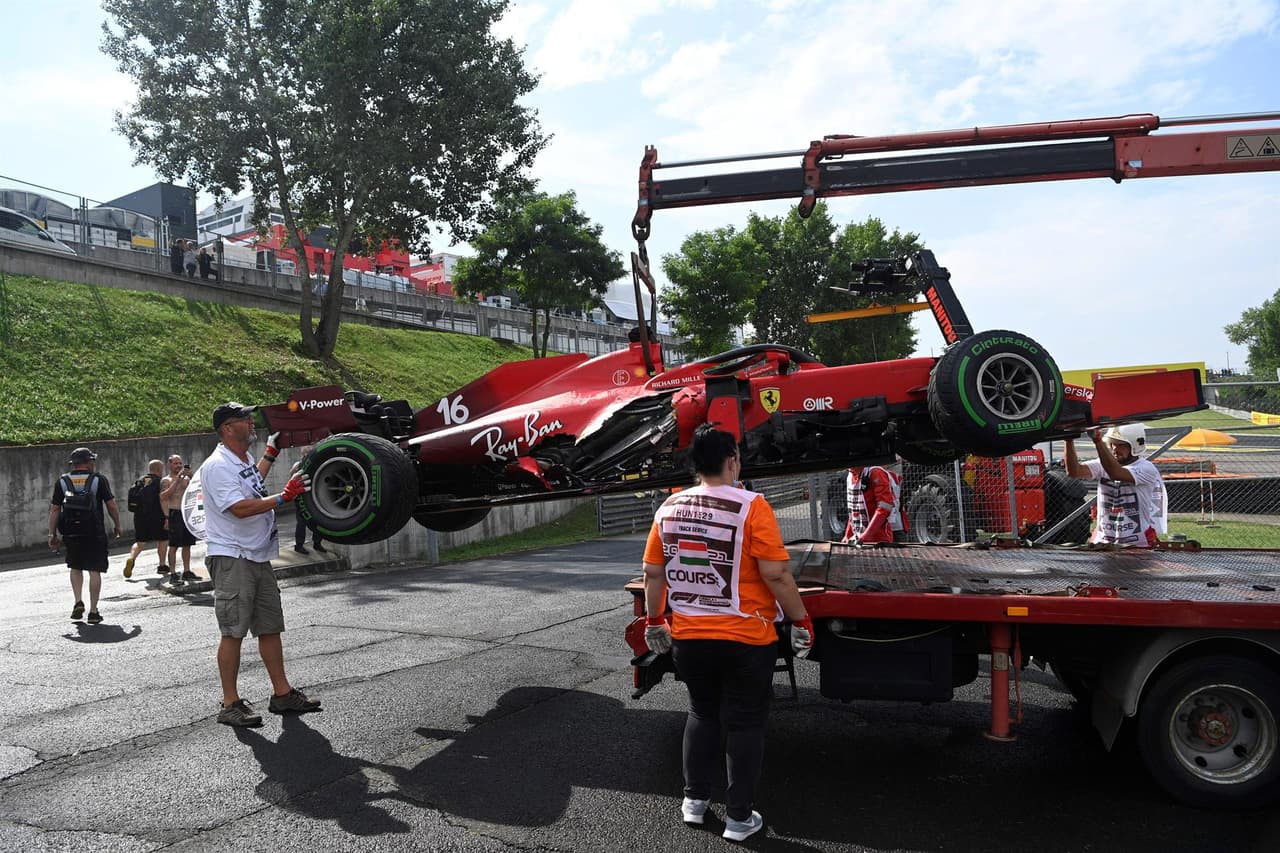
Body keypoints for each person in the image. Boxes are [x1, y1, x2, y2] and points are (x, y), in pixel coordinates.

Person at [641, 425, 813, 842]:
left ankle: (694, 802)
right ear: (733, 460)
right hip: (746, 639)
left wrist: (653, 620)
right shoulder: (752, 505)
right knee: (745, 723)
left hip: (689, 637)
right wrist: (802, 619)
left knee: (702, 712)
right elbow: (776, 573)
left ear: (695, 465)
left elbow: (652, 572)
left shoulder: (669, 508)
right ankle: (739, 818)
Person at [203, 401, 320, 727]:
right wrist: (284, 496)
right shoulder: (217, 466)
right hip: (233, 556)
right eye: (245, 418)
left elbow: (253, 484)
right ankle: (230, 703)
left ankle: (281, 694)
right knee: (233, 632)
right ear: (228, 428)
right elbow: (239, 508)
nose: (252, 422)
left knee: (270, 626)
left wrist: (270, 453)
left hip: (256, 554)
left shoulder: (244, 459)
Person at [48, 447, 123, 624]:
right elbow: (111, 505)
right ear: (89, 463)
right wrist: (117, 525)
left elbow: (55, 509)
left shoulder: (62, 481)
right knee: (94, 570)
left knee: (75, 567)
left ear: (73, 464)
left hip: (72, 533)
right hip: (94, 532)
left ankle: (77, 601)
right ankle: (94, 611)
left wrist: (52, 533)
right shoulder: (99, 480)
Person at [1065, 423, 1167, 547]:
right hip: (1103, 542)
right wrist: (1068, 440)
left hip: (1137, 543)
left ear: (1134, 445)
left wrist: (1098, 441)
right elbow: (1074, 471)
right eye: (1113, 444)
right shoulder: (1104, 463)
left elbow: (1115, 473)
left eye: (1121, 445)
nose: (1115, 449)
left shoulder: (1146, 468)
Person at [123, 459, 171, 581]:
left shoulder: (140, 481)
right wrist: (166, 517)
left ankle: (132, 558)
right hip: (157, 516)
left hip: (139, 516)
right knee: (163, 539)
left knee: (140, 542)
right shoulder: (159, 482)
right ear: (159, 470)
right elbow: (163, 499)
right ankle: (162, 565)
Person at [842, 462, 908, 545]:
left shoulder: (876, 473)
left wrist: (865, 537)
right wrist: (847, 535)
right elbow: (854, 510)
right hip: (861, 538)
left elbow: (884, 508)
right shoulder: (851, 475)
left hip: (880, 540)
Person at [161, 454, 201, 581]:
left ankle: (187, 570)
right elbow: (163, 496)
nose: (178, 466)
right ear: (170, 464)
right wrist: (177, 481)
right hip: (175, 513)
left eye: (180, 463)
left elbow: (198, 488)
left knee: (187, 544)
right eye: (175, 463)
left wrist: (192, 475)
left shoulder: (187, 479)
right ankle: (172, 573)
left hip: (186, 513)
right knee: (173, 545)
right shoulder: (166, 480)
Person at [289, 447, 327, 555]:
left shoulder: (316, 463)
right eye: (305, 453)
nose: (307, 455)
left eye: (309, 453)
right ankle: (299, 545)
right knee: (301, 522)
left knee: (318, 521)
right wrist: (298, 467)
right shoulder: (298, 464)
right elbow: (291, 475)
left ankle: (317, 543)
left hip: (314, 497)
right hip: (301, 497)